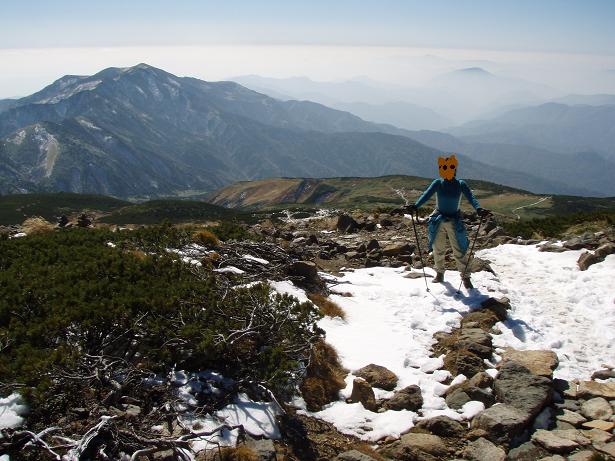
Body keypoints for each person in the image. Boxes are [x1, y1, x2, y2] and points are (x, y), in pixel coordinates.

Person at [406, 155, 490, 289]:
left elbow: (471, 197)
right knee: (438, 248)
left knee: (458, 249)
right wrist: (415, 206)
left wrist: (478, 209)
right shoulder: (438, 183)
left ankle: (465, 276)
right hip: (439, 219)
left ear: (455, 169)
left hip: (453, 220)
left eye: (451, 168)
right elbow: (426, 195)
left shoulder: (460, 184)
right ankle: (440, 273)